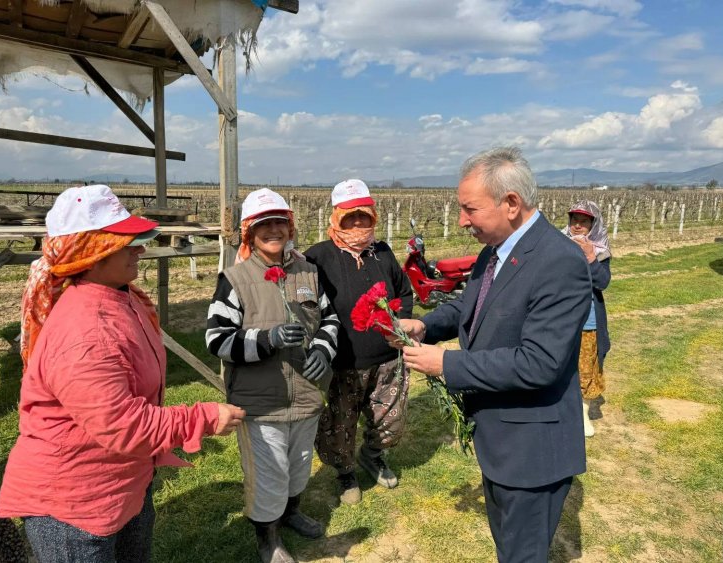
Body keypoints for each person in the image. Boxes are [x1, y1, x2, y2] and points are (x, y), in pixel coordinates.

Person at [0, 184, 244, 563]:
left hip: (121, 481)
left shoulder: (119, 296)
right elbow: (124, 425)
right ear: (92, 253)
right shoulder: (86, 331)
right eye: (126, 241)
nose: (140, 248)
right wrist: (206, 417)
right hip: (75, 505)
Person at [392, 147, 593, 562]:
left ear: (512, 204)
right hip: (502, 441)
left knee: (522, 555)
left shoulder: (559, 261)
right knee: (509, 547)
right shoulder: (495, 250)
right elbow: (472, 306)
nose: (462, 220)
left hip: (532, 451)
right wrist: (426, 325)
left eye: (470, 209)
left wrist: (446, 364)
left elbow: (539, 363)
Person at [206, 188, 340, 563]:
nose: (274, 230)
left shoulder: (308, 271)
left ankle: (291, 511)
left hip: (306, 397)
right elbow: (216, 339)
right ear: (250, 232)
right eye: (264, 224)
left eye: (279, 222)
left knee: (298, 468)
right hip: (260, 402)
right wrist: (266, 339)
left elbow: (329, 319)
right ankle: (268, 539)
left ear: (289, 226)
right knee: (269, 476)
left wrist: (322, 350)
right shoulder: (234, 279)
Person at [304, 179, 413, 505]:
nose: (357, 224)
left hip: (388, 357)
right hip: (344, 362)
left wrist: (401, 325)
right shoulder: (317, 257)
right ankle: (345, 471)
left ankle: (372, 454)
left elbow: (403, 291)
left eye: (363, 216)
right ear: (336, 217)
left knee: (390, 419)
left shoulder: (382, 253)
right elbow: (306, 305)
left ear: (372, 217)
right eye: (349, 217)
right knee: (341, 422)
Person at [563, 200, 611, 437]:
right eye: (575, 220)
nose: (578, 225)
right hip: (560, 318)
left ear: (593, 224)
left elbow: (602, 282)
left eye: (584, 221)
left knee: (584, 369)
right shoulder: (557, 245)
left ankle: (582, 415)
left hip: (587, 321)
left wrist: (591, 258)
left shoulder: (600, 250)